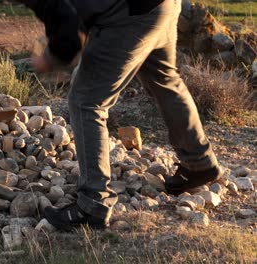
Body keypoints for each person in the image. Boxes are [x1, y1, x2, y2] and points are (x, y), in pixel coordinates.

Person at [19, 0, 223, 231]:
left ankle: (92, 205)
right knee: (165, 79)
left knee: (86, 101)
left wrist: (49, 58)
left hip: (129, 15)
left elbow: (69, 35)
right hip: (163, 5)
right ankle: (200, 163)